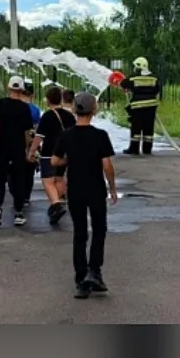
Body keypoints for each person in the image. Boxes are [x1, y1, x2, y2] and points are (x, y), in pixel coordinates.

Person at [51, 92, 118, 299]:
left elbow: (54, 161)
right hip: (95, 189)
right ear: (94, 110)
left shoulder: (66, 135)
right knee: (99, 229)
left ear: (73, 110)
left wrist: (69, 161)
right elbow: (106, 164)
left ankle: (81, 281)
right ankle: (94, 271)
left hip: (76, 190)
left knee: (80, 233)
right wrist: (112, 188)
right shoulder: (100, 136)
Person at [0, 75, 33, 227]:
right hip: (18, 147)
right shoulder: (24, 108)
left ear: (9, 88)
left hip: (2, 145)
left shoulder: (0, 104)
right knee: (18, 178)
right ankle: (19, 212)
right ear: (21, 90)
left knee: (0, 176)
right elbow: (27, 131)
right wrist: (28, 149)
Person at [28, 85, 75, 225]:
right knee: (59, 178)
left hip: (49, 152)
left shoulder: (48, 115)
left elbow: (39, 136)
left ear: (48, 100)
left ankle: (55, 204)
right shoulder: (69, 115)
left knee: (47, 180)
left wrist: (31, 151)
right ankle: (60, 201)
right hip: (65, 152)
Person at [119, 56, 161, 155]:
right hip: (151, 106)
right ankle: (147, 149)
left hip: (137, 107)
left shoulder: (134, 78)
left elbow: (123, 84)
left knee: (136, 128)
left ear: (137, 67)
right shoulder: (154, 78)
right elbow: (157, 89)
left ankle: (134, 149)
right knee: (148, 128)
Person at [21, 79, 42, 207]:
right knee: (29, 170)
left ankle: (17, 192)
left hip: (15, 141)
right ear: (33, 95)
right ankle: (26, 196)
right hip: (30, 141)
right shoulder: (35, 110)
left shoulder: (15, 107)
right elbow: (38, 129)